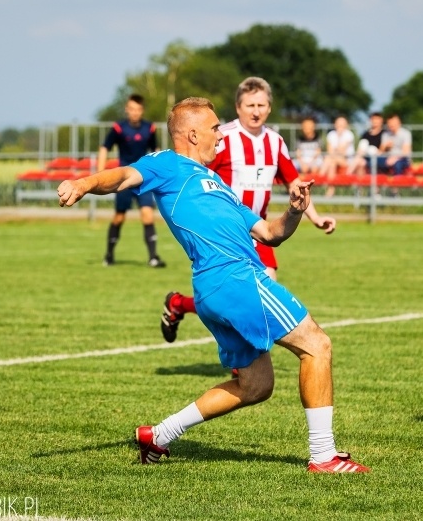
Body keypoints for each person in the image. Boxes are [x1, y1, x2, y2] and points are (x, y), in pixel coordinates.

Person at [57, 97, 369, 473]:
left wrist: (295, 210)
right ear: (192, 134)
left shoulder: (217, 183)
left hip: (216, 288)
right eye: (215, 127)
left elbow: (270, 233)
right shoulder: (168, 165)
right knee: (317, 345)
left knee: (257, 386)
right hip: (233, 277)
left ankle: (159, 435)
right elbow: (123, 176)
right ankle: (324, 457)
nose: (221, 135)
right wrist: (84, 182)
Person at [161, 77, 336, 343]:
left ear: (269, 107)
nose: (256, 111)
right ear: (238, 106)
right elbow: (197, 173)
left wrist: (316, 217)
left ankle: (179, 304)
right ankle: (242, 368)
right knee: (239, 299)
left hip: (259, 229)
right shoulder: (222, 138)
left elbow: (295, 183)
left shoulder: (275, 142)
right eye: (250, 104)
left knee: (259, 297)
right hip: (229, 232)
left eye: (262, 105)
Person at [97, 94, 164, 268]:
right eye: (132, 109)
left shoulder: (150, 128)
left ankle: (153, 257)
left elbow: (155, 150)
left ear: (142, 110)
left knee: (147, 215)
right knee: (119, 217)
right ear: (127, 109)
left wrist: (158, 171)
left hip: (144, 178)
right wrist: (100, 172)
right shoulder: (119, 128)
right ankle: (109, 255)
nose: (135, 112)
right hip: (124, 179)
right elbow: (105, 147)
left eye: (138, 109)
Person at [320, 115, 356, 196]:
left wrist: (338, 139)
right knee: (331, 162)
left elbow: (342, 152)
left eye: (342, 124)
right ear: (335, 124)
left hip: (347, 162)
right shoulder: (331, 134)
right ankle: (330, 190)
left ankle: (319, 179)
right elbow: (330, 151)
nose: (340, 126)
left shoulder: (349, 134)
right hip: (334, 161)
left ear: (346, 125)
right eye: (338, 123)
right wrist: (335, 152)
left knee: (329, 159)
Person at [349, 112, 385, 176]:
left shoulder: (385, 133)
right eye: (373, 119)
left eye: (377, 119)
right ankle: (359, 183)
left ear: (381, 120)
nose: (375, 121)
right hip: (366, 157)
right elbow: (361, 149)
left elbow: (382, 149)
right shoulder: (366, 134)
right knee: (360, 161)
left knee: (363, 156)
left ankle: (347, 176)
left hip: (378, 157)